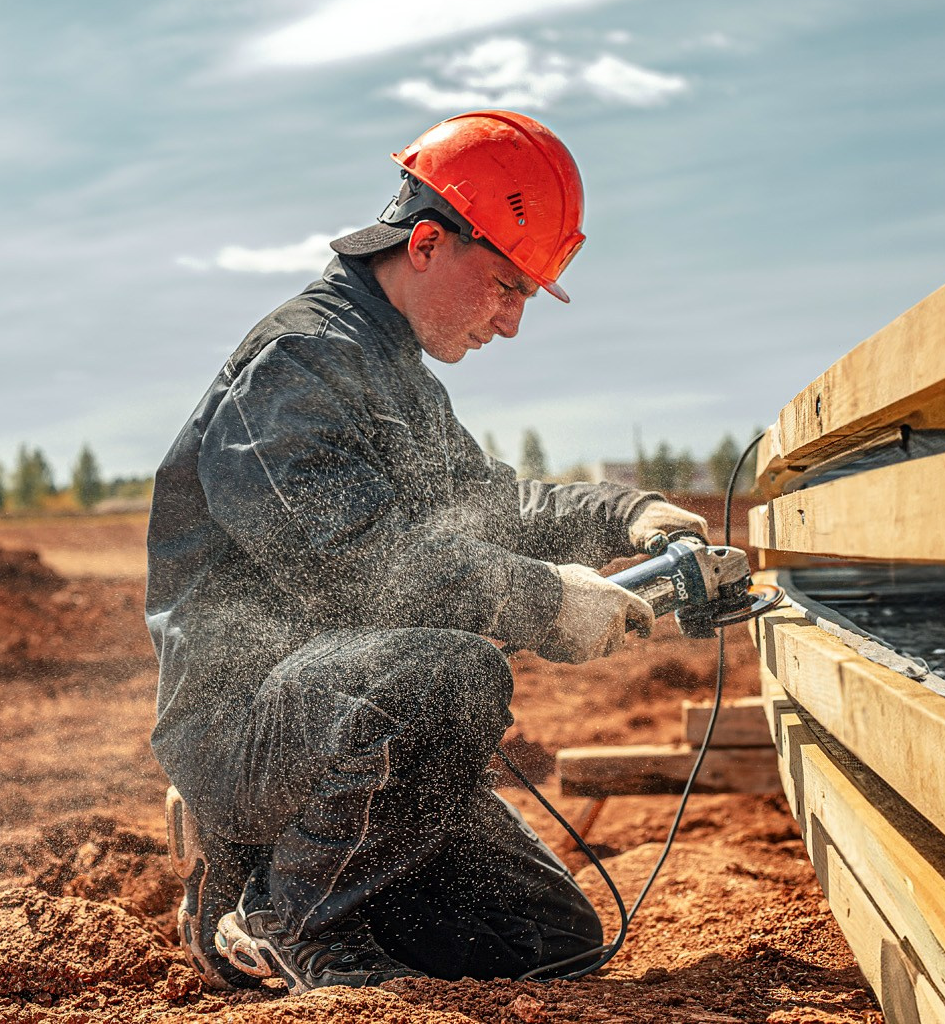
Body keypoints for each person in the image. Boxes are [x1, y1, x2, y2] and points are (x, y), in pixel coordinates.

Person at [147, 110, 708, 994]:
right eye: (506, 286)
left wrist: (625, 512)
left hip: (352, 725)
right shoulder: (298, 363)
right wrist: (546, 601)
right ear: (426, 243)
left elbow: (490, 508)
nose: (510, 321)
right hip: (246, 726)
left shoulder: (394, 373)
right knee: (452, 670)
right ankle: (284, 914)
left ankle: (269, 871)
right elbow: (352, 565)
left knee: (549, 941)